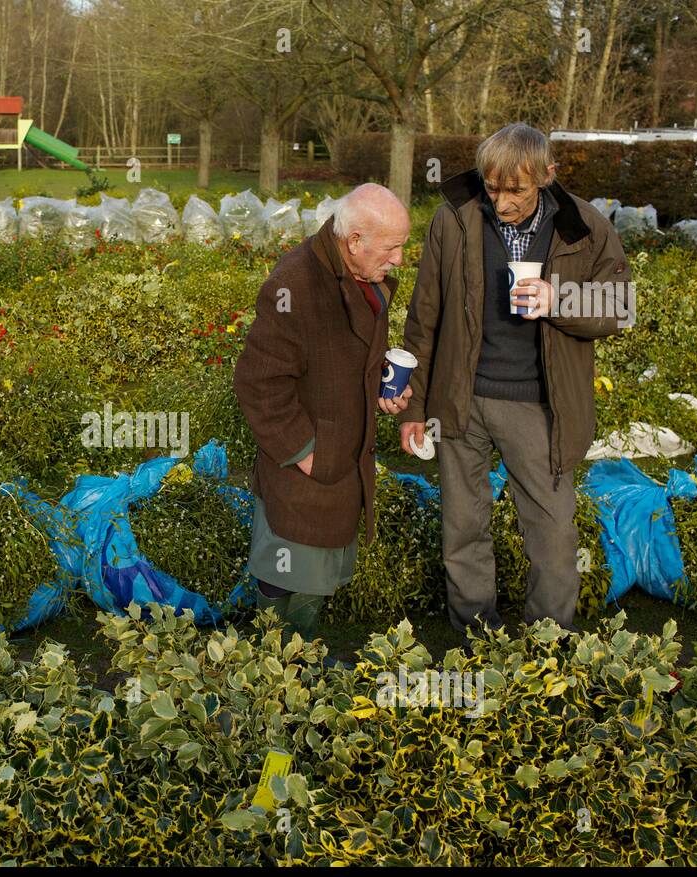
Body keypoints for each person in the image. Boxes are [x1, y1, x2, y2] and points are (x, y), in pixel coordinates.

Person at [400, 122, 633, 635]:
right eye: (492, 187)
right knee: (463, 530)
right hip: (460, 401)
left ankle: (546, 648)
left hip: (538, 407)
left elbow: (621, 305)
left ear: (547, 176)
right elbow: (424, 318)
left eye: (516, 190)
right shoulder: (454, 219)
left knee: (552, 536)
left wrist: (558, 300)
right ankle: (476, 638)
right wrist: (414, 406)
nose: (501, 201)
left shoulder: (585, 226)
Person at [234, 183, 413, 637]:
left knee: (319, 568)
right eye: (392, 248)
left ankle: (295, 662)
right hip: (308, 458)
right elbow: (259, 381)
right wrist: (303, 451)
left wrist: (379, 390)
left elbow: (343, 359)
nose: (398, 260)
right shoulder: (294, 284)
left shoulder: (361, 278)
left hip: (340, 456)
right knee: (287, 560)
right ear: (354, 241)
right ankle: (270, 665)